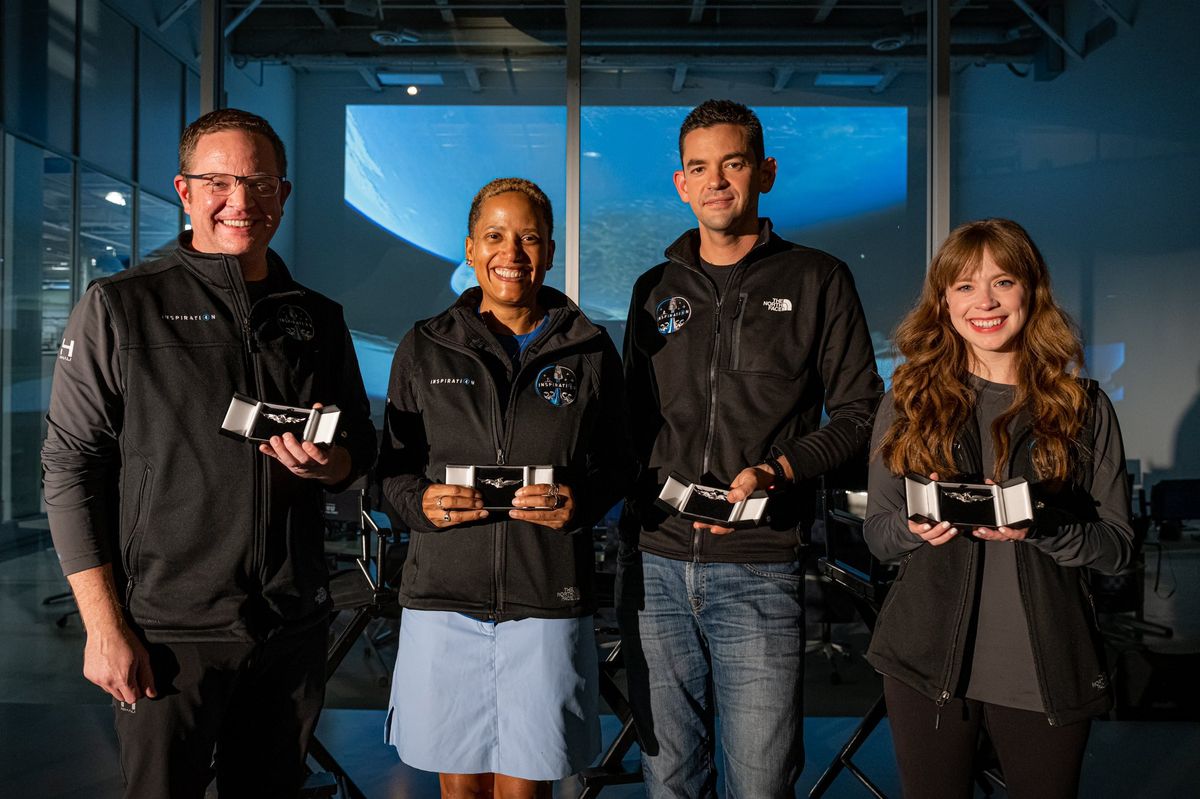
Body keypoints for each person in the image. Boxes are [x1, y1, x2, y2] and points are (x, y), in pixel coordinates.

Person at [41, 108, 377, 798]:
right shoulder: (120, 306)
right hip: (169, 630)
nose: (241, 202)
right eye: (218, 182)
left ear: (284, 194)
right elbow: (71, 470)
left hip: (289, 624)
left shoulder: (315, 317)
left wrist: (330, 464)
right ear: (185, 191)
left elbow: (358, 445)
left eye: (260, 184)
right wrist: (104, 625)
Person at [618, 99, 883, 798]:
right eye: (699, 168)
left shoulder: (817, 279)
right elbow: (630, 422)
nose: (716, 182)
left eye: (732, 164)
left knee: (761, 784)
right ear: (680, 182)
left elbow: (861, 412)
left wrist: (781, 468)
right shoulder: (654, 289)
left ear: (764, 171)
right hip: (658, 569)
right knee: (669, 779)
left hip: (761, 568)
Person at [378, 177, 632, 799]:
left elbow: (621, 460)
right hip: (444, 596)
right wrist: (421, 504)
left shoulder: (590, 348)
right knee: (460, 789)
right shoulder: (424, 345)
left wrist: (581, 501)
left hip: (545, 594)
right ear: (470, 249)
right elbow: (390, 470)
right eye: (494, 236)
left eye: (528, 238)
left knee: (527, 789)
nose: (511, 253)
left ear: (548, 252)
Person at [864, 218, 1134, 798]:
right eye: (963, 286)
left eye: (1002, 282)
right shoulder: (908, 399)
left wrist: (1045, 526)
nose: (983, 301)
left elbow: (1116, 549)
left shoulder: (1083, 406)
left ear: (1031, 291)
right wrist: (914, 529)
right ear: (943, 300)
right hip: (926, 663)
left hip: (1045, 668)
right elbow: (879, 535)